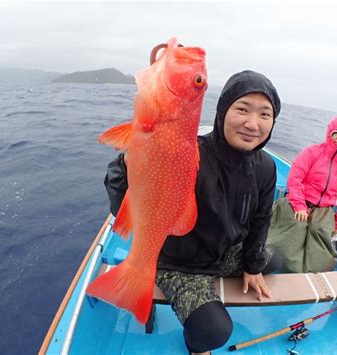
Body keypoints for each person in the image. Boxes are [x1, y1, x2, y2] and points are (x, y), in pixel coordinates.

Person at [104, 70, 283, 354]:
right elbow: (126, 205)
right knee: (214, 332)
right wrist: (128, 163)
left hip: (224, 252)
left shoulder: (266, 167)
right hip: (180, 262)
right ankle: (194, 345)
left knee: (274, 260)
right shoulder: (189, 155)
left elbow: (261, 219)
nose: (252, 124)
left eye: (265, 114)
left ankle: (240, 270)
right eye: (242, 109)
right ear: (223, 111)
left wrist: (252, 266)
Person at [268, 115, 337, 274]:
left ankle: (306, 277)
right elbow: (295, 179)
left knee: (320, 243)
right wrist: (299, 206)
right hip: (299, 202)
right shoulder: (312, 152)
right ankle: (279, 266)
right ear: (330, 133)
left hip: (324, 210)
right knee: (294, 230)